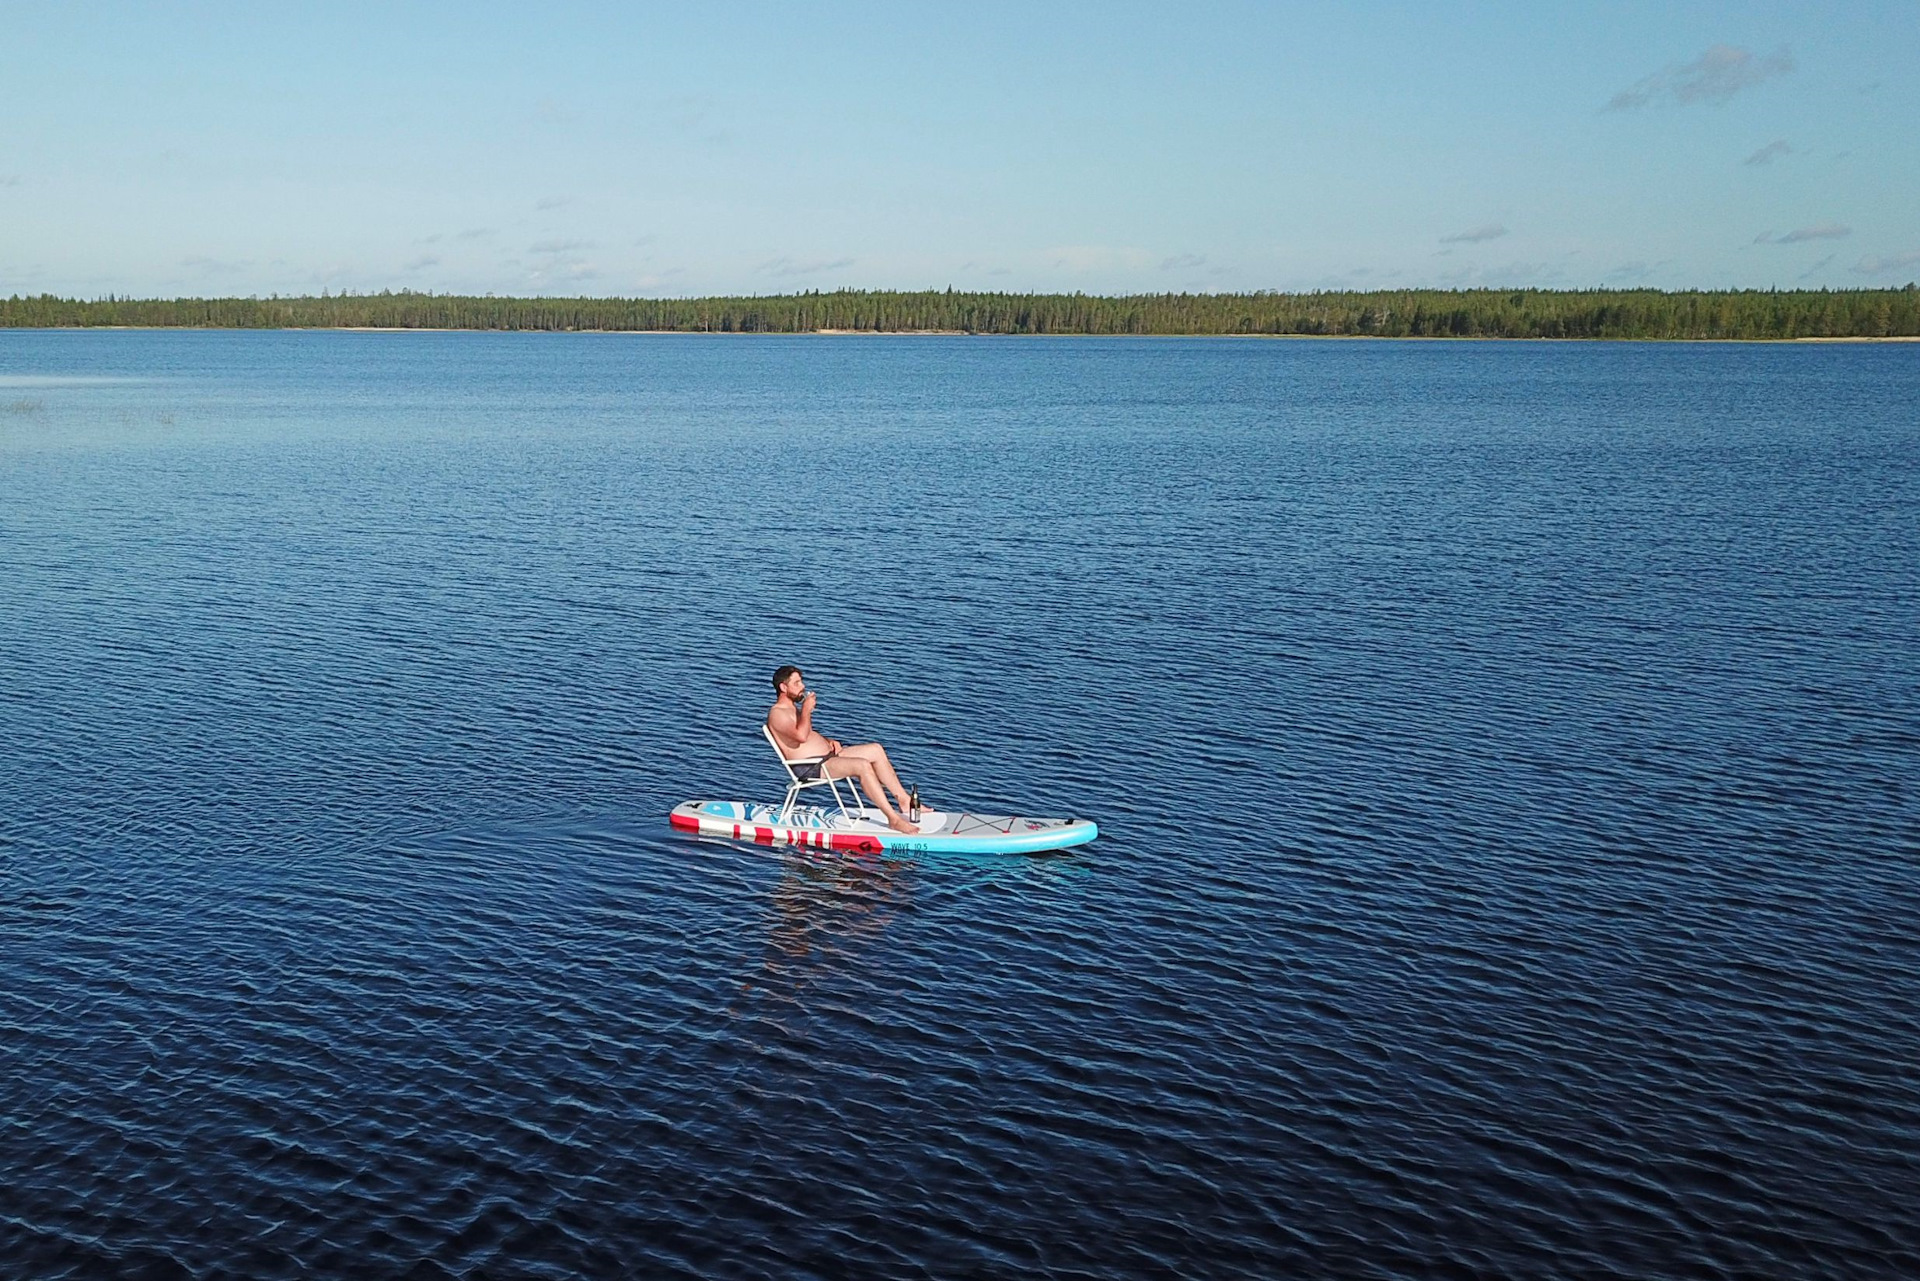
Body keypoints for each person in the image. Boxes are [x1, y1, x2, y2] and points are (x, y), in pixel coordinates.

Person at [766, 665, 919, 834]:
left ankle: (904, 800)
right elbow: (801, 736)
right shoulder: (777, 714)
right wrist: (807, 710)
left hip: (826, 757)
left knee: (875, 749)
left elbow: (807, 736)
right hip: (812, 767)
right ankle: (893, 819)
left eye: (801, 682)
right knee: (861, 765)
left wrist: (828, 741)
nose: (802, 686)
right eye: (797, 683)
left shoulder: (791, 709)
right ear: (783, 687)